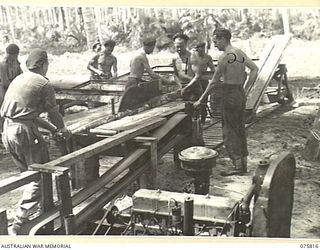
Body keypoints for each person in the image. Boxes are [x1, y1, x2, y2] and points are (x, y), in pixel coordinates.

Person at [0, 48, 71, 234]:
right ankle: (18, 223)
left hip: (7, 129)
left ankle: (37, 209)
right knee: (38, 177)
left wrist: (54, 130)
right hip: (24, 132)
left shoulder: (20, 78)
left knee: (28, 174)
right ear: (43, 64)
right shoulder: (43, 83)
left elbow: (29, 115)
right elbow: (54, 113)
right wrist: (63, 130)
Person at [194, 28, 258, 176]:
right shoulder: (238, 53)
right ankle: (243, 165)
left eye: (216, 41)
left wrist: (200, 99)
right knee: (239, 128)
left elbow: (214, 82)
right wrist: (246, 89)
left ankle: (237, 166)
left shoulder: (225, 57)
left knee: (229, 131)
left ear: (223, 39)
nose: (215, 45)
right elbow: (254, 69)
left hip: (229, 94)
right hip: (239, 92)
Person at [183, 42, 215, 124]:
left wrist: (214, 77)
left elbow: (212, 69)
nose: (201, 50)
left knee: (204, 100)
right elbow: (196, 75)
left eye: (203, 48)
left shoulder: (208, 57)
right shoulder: (193, 57)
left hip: (204, 80)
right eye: (199, 48)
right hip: (194, 80)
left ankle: (203, 121)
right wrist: (187, 86)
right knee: (194, 101)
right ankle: (194, 121)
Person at [172, 33, 203, 102]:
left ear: (186, 45)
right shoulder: (174, 58)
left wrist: (187, 87)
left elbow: (198, 76)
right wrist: (179, 85)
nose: (179, 49)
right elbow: (175, 74)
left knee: (193, 109)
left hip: (193, 88)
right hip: (182, 88)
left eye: (181, 46)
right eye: (177, 47)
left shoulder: (193, 56)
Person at [0, 44, 23, 133]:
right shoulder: (2, 65)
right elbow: (5, 82)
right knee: (2, 109)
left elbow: (21, 75)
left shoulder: (16, 63)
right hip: (3, 89)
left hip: (12, 89)